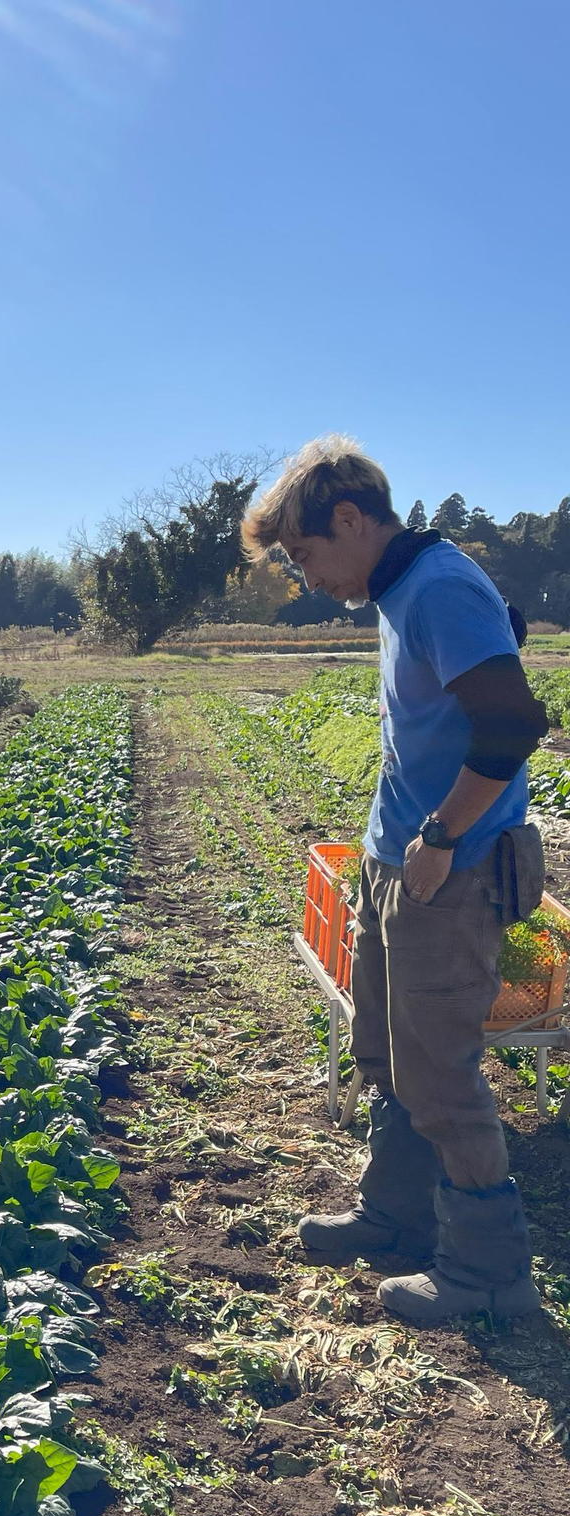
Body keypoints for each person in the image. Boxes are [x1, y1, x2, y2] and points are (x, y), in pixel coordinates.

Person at [242, 437, 548, 1325]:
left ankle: (488, 1272)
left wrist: (442, 836)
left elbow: (510, 726)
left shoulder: (440, 586)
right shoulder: (403, 586)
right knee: (386, 1053)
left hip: (450, 873)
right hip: (397, 865)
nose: (307, 578)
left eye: (305, 555)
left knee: (441, 1075)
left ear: (349, 519)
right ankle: (397, 1215)